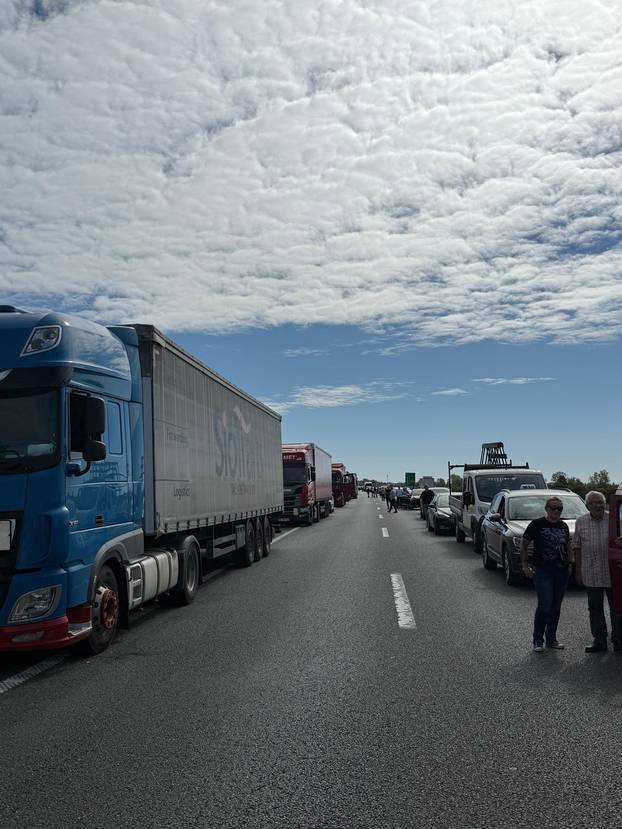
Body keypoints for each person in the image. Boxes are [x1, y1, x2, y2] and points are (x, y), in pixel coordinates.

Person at [521, 496, 572, 653]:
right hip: (543, 571)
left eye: (559, 509)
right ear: (547, 509)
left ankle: (551, 639)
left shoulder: (563, 526)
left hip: (561, 571)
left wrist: (570, 564)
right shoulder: (537, 524)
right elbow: (524, 544)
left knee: (556, 607)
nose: (556, 511)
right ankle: (538, 639)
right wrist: (525, 565)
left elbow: (568, 546)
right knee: (545, 606)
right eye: (553, 508)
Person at [572, 491, 620, 653]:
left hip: (613, 573)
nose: (598, 505)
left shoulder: (615, 519)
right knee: (595, 608)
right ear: (587, 505)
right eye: (594, 503)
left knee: (617, 608)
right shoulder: (581, 522)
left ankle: (618, 640)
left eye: (600, 502)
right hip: (591, 572)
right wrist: (578, 572)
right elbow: (577, 547)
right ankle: (599, 641)